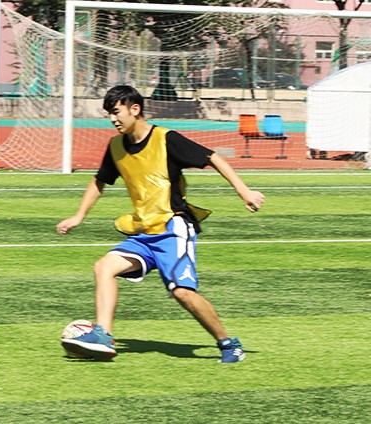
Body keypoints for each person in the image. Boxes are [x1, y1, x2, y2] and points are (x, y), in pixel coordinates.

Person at [57, 85, 264, 363]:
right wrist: (78, 215)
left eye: (116, 112)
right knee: (103, 267)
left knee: (182, 293)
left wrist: (244, 192)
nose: (113, 119)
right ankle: (104, 335)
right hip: (143, 231)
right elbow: (100, 181)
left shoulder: (166, 139)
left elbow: (212, 157)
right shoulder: (116, 147)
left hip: (172, 229)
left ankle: (229, 345)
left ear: (135, 109)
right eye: (109, 114)